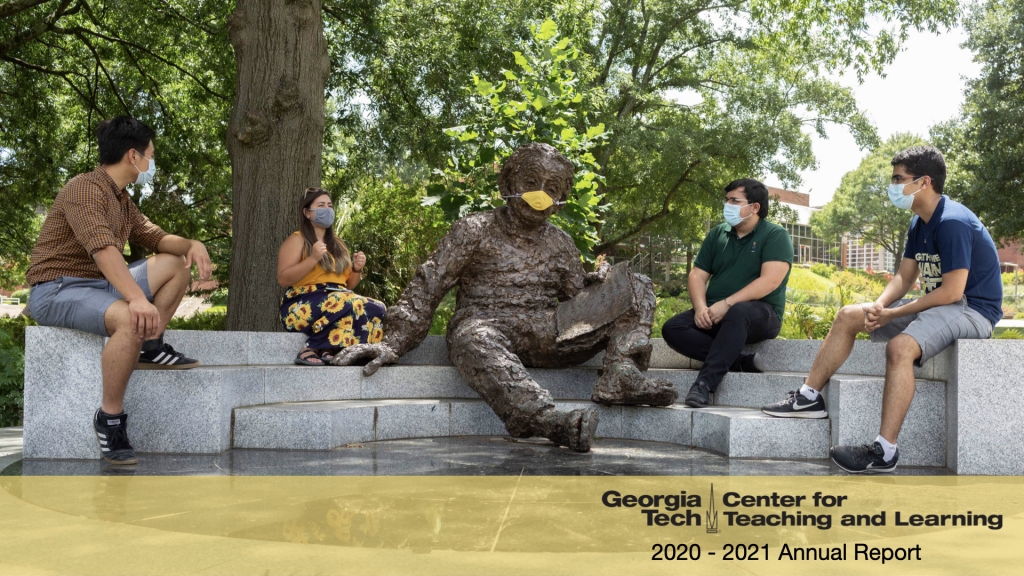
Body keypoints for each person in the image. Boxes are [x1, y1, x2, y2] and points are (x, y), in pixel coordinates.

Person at [331, 143, 677, 453]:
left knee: (637, 283)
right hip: (486, 325)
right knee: (471, 337)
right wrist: (393, 342)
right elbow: (429, 284)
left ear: (560, 202)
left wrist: (600, 284)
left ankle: (621, 372)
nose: (539, 194)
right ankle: (546, 421)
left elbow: (579, 299)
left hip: (548, 330)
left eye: (551, 189)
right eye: (531, 183)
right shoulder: (474, 229)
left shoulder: (560, 243)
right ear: (509, 185)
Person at [761, 146, 1003, 474]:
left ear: (924, 182)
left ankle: (884, 451)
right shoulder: (920, 224)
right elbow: (904, 277)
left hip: (973, 309)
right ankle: (808, 397)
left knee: (900, 347)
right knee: (849, 314)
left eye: (898, 179)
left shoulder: (953, 222)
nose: (893, 186)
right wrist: (880, 305)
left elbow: (953, 291)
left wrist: (892, 316)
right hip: (946, 305)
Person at [25, 116, 212, 465]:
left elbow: (155, 238)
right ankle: (109, 418)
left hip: (99, 284)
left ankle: (150, 345)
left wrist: (192, 243)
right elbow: (103, 249)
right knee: (129, 316)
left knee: (175, 263)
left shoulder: (122, 199)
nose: (151, 163)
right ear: (133, 156)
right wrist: (137, 298)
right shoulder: (83, 189)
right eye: (150, 155)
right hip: (56, 288)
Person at [661, 179, 793, 408]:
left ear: (755, 207)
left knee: (739, 311)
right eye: (727, 200)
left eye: (734, 200)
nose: (727, 205)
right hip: (716, 313)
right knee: (673, 328)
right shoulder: (718, 234)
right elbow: (697, 275)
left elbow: (770, 281)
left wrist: (727, 303)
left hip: (761, 315)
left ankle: (704, 385)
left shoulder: (775, 235)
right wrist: (701, 307)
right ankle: (739, 361)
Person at [276, 187, 385, 365]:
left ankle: (346, 349)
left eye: (329, 205)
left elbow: (348, 285)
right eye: (320, 205)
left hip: (338, 298)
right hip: (300, 304)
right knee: (343, 301)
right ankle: (310, 348)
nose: (327, 209)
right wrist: (313, 258)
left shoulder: (339, 244)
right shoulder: (297, 239)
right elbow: (283, 279)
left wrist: (356, 269)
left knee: (376, 307)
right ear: (307, 212)